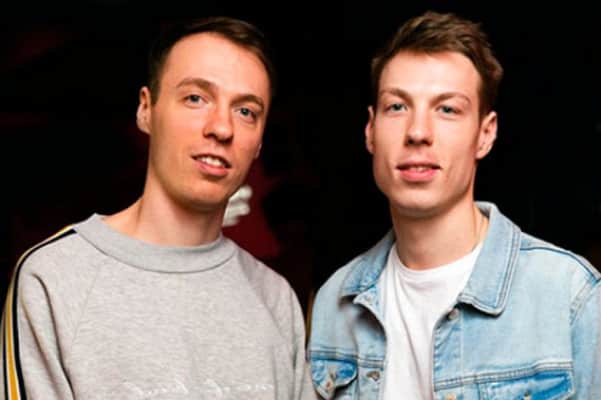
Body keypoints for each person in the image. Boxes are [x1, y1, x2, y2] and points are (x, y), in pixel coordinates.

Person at [1, 17, 315, 400]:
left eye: (246, 111)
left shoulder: (276, 299)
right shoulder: (53, 278)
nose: (222, 128)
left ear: (260, 141)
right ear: (146, 110)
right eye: (196, 98)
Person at [308, 11, 600, 400]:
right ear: (370, 130)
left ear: (485, 134)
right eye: (397, 107)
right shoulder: (335, 303)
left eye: (447, 109)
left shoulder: (570, 296)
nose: (418, 132)